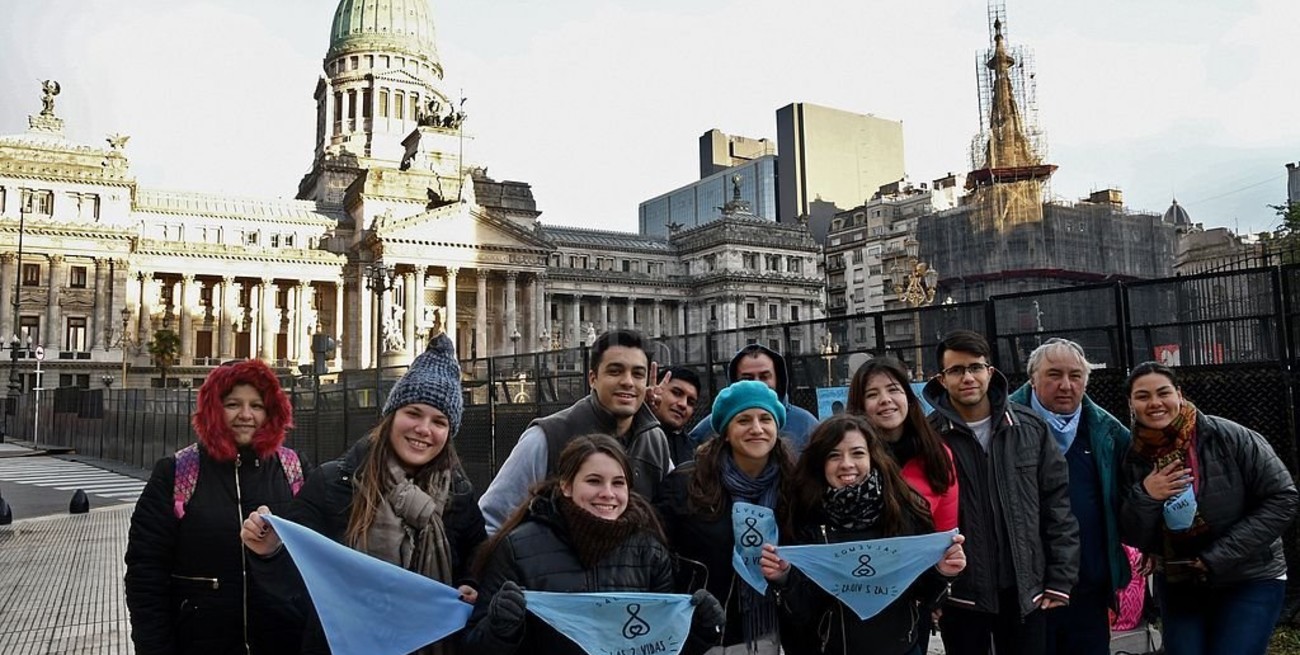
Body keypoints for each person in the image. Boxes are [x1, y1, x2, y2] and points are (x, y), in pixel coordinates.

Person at [241, 334, 487, 655]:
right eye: (413, 413)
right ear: (391, 417)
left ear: (449, 432)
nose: (424, 429)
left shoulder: (459, 496)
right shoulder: (332, 483)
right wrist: (269, 552)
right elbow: (294, 587)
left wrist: (473, 588)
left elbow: (481, 564)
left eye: (439, 421)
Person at [465, 434, 725, 655]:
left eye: (618, 483)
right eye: (594, 481)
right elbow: (475, 647)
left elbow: (661, 645)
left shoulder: (649, 551)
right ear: (566, 485)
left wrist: (700, 631)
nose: (608, 493)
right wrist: (500, 627)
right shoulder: (517, 549)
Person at [125, 359, 306, 654]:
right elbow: (145, 573)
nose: (246, 415)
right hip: (199, 642)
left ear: (271, 411)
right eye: (233, 404)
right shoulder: (176, 472)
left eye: (257, 406)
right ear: (214, 409)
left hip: (282, 642)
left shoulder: (294, 470)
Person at [1118, 361, 1297, 655]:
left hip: (1249, 575)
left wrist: (1215, 557)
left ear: (1179, 393)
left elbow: (1282, 499)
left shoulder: (1230, 436)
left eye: (1163, 392)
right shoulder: (1131, 456)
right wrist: (1148, 495)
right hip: (1180, 582)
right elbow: (1133, 534)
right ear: (1131, 403)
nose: (1154, 403)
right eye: (1143, 396)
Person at [921, 330, 1078, 655]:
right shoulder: (927, 438)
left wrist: (1060, 580)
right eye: (956, 370)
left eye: (975, 367)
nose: (968, 377)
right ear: (941, 378)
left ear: (990, 372)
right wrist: (931, 592)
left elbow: (1058, 508)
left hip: (1024, 590)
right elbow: (918, 520)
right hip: (961, 594)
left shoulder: (1029, 428)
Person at [760, 415, 967, 655]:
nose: (847, 464)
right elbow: (802, 612)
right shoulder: (804, 518)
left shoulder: (903, 510)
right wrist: (784, 578)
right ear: (820, 462)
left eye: (857, 453)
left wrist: (944, 572)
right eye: (834, 455)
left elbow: (925, 595)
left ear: (873, 457)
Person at [478, 329, 672, 535]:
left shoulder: (655, 439)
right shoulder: (547, 437)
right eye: (615, 371)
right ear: (592, 378)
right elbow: (492, 518)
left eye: (638, 374)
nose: (628, 381)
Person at [1008, 339, 1132, 655]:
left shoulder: (1107, 432)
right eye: (1054, 375)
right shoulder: (1002, 427)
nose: (1066, 385)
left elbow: (1130, 494)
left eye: (1075, 376)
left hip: (1089, 585)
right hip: (1026, 590)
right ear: (1032, 379)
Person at [656, 380, 796, 655]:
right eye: (743, 420)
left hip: (781, 635)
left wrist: (787, 577)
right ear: (726, 433)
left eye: (765, 419)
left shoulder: (796, 486)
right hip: (709, 638)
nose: (756, 428)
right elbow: (659, 561)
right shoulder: (686, 486)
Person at [848, 356, 959, 531]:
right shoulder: (847, 461)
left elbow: (946, 536)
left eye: (893, 390)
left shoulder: (937, 455)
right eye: (872, 394)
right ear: (859, 406)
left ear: (908, 397)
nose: (885, 399)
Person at [687, 344, 819, 455]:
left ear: (778, 380)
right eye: (747, 378)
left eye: (764, 376)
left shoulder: (807, 425)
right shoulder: (711, 427)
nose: (758, 384)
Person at [650, 366, 702, 465]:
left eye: (690, 402)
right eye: (676, 393)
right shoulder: (630, 436)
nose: (683, 404)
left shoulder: (697, 454)